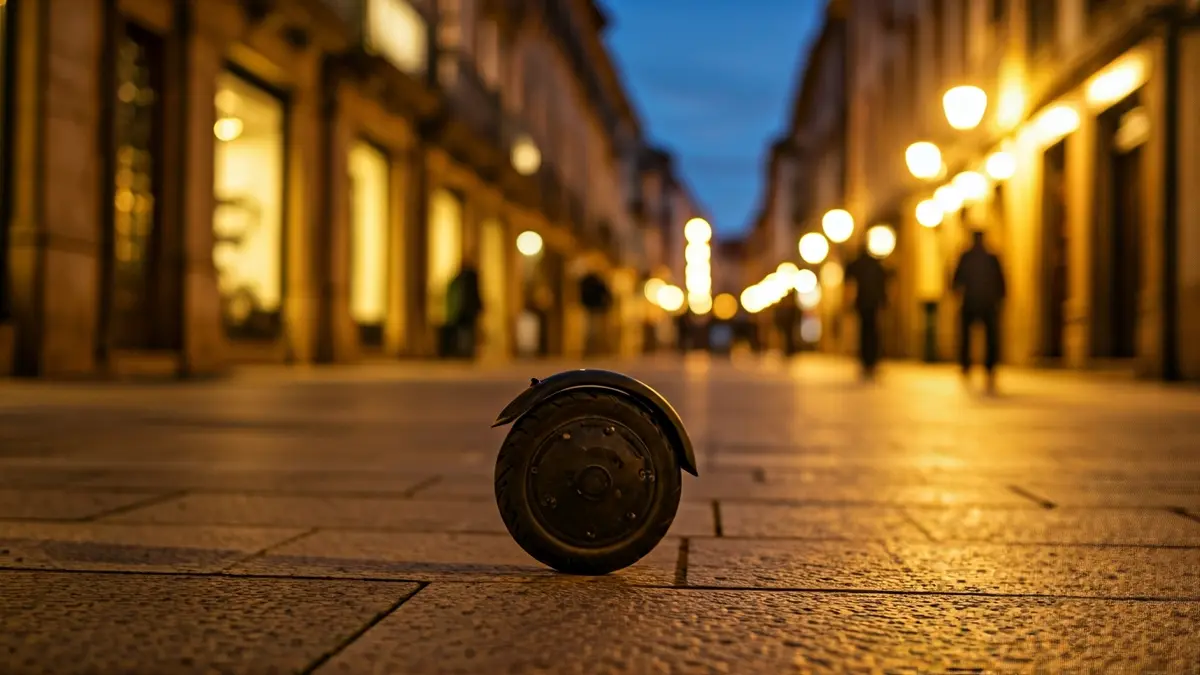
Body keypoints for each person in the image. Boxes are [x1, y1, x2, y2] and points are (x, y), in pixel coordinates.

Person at [952, 230, 1007, 392]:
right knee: (980, 337)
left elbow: (957, 279)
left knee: (979, 337)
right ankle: (977, 366)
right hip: (981, 302)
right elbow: (1000, 280)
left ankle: (976, 366)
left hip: (978, 302)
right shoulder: (988, 258)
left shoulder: (969, 257)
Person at [845, 242, 888, 380]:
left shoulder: (858, 264)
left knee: (864, 331)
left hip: (862, 302)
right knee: (873, 331)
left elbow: (848, 277)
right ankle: (872, 360)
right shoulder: (875, 264)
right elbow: (883, 281)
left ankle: (866, 360)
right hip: (873, 302)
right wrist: (884, 300)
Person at [446, 259, 483, 359]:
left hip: (462, 310)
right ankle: (467, 351)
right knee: (467, 331)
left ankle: (465, 351)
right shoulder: (469, 278)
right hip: (467, 310)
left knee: (464, 331)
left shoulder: (458, 280)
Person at [579, 271, 612, 357]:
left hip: (596, 309)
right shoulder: (594, 282)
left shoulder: (589, 282)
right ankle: (595, 351)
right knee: (595, 331)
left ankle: (596, 351)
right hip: (596, 309)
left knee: (594, 330)